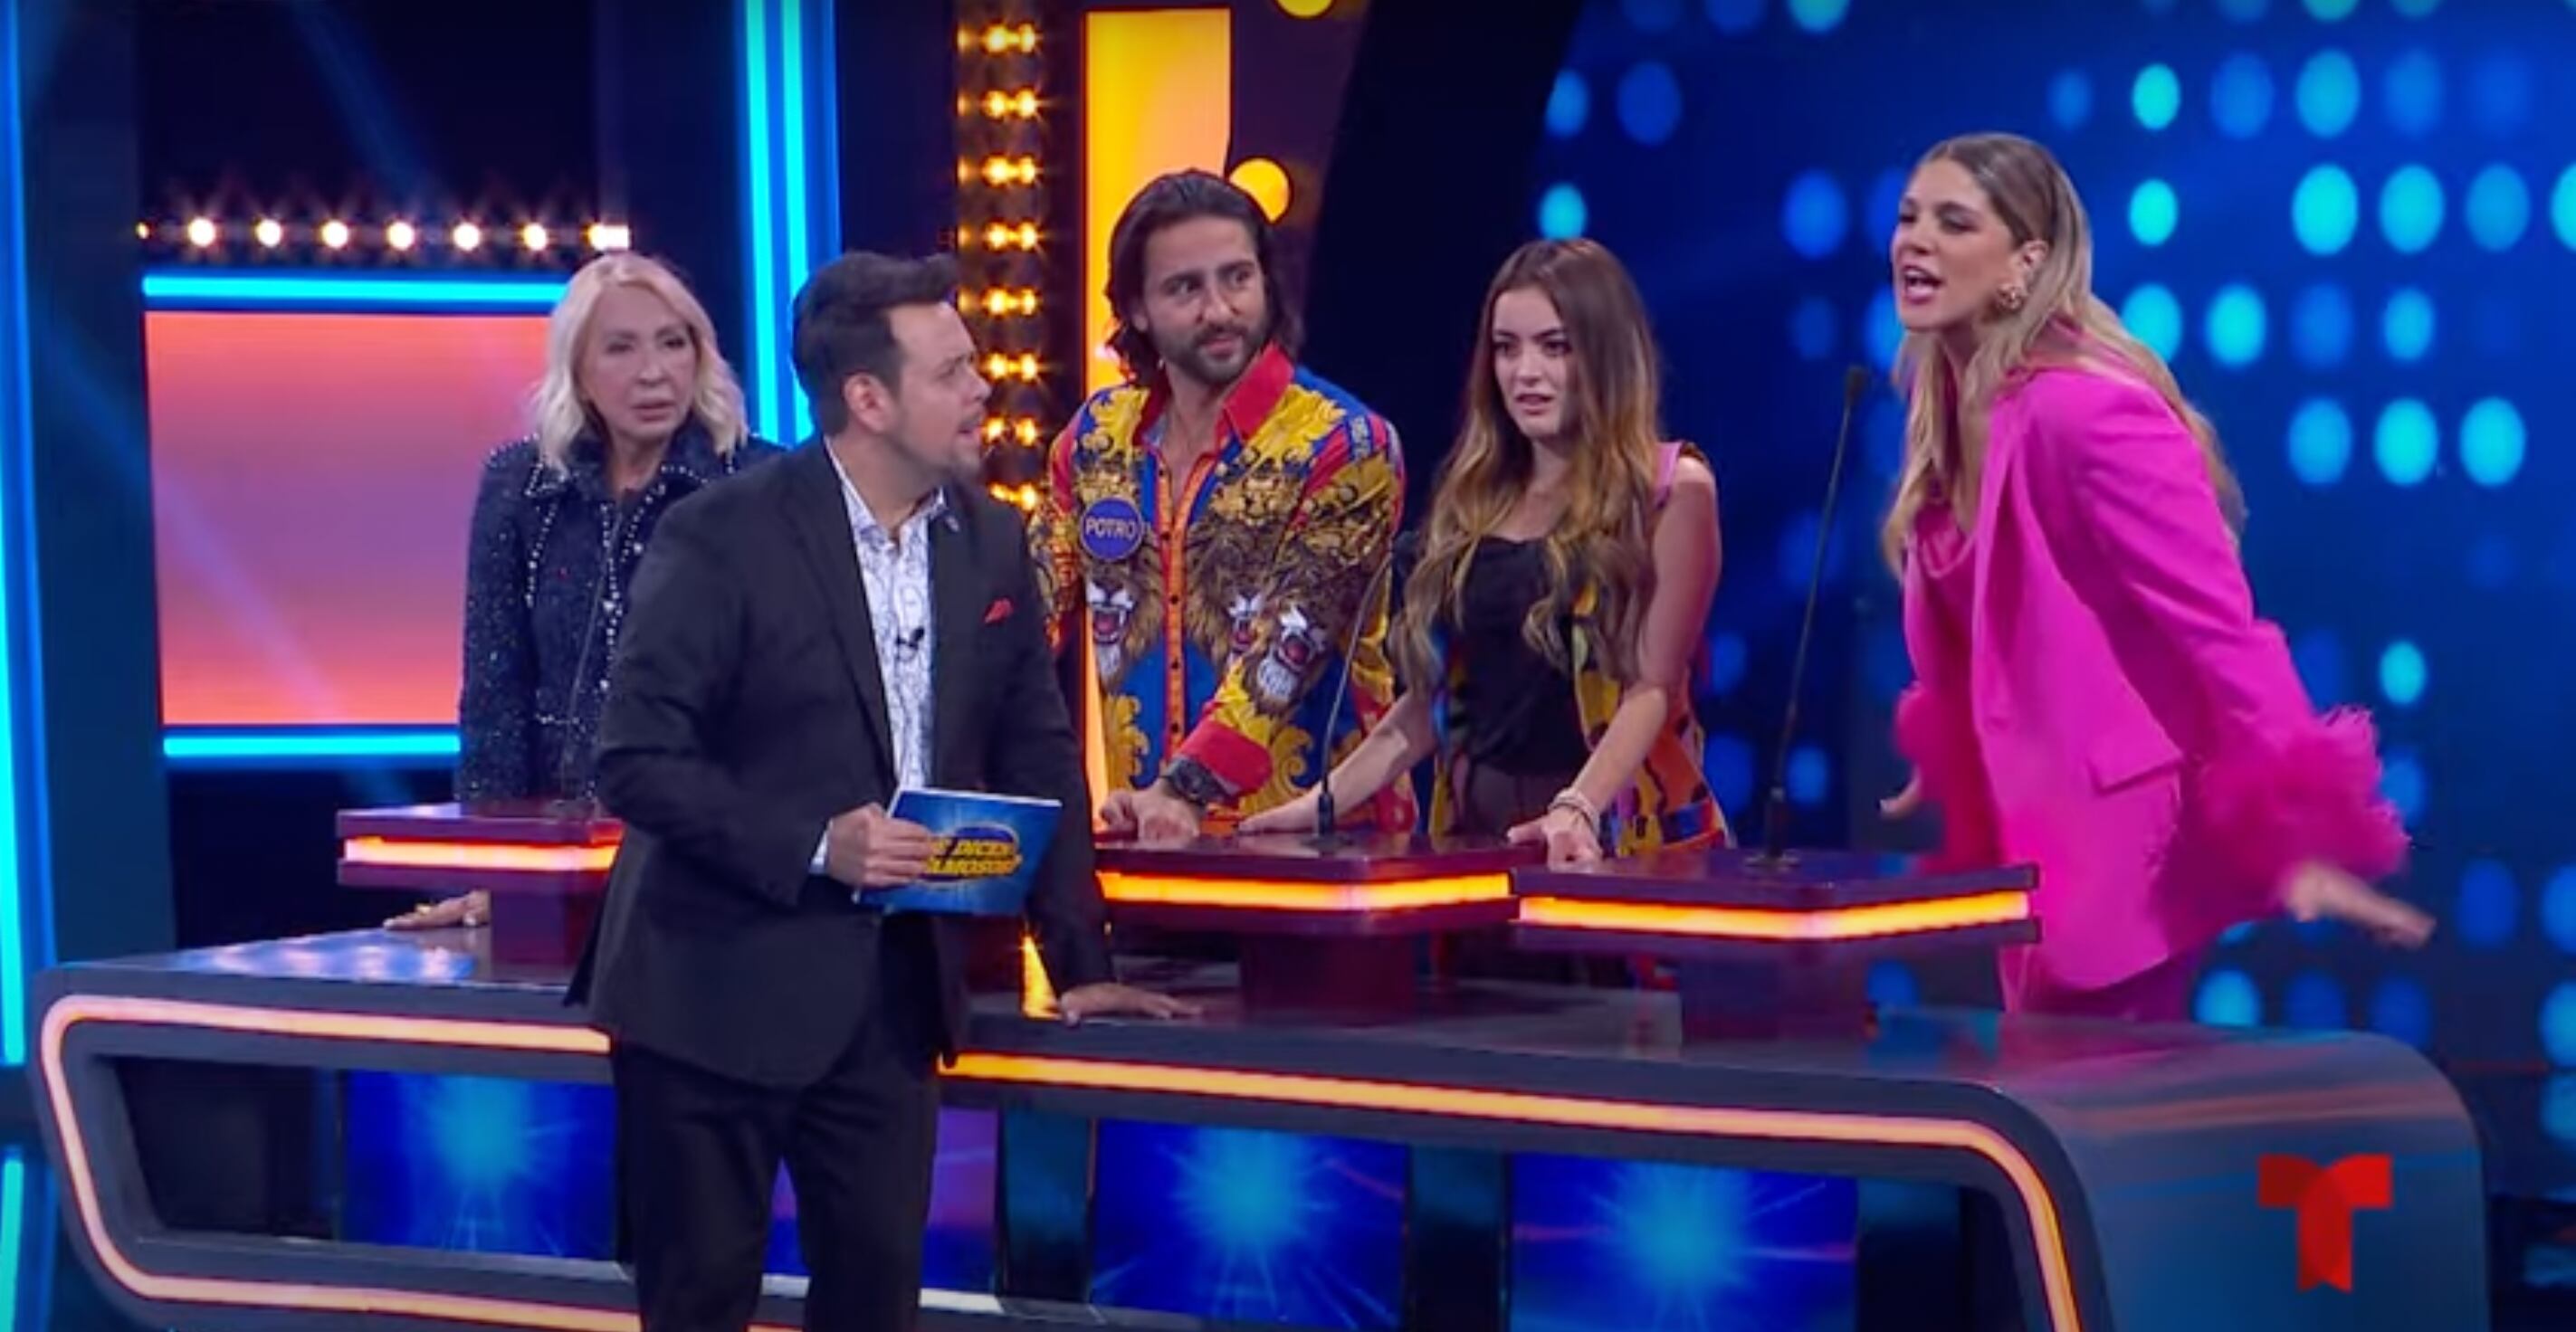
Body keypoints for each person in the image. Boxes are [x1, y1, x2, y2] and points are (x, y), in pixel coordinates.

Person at [570, 251, 1192, 1332]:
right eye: (951, 370)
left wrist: (1081, 963)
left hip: (888, 1000)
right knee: (698, 1302)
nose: (982, 388)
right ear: (868, 398)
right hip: (709, 992)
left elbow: (1038, 754)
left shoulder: (989, 538)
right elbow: (634, 756)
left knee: (876, 1306)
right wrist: (819, 841)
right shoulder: (724, 534)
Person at [1873, 131, 2433, 1021]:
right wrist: (1943, 756)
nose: (1916, 241)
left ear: (2026, 262)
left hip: (2127, 858)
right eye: (1908, 219)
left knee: (2087, 1101)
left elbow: (2219, 631)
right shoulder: (1938, 412)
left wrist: (2299, 834)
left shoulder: (2087, 414)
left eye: (1953, 222)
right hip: (2026, 848)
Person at [1244, 238, 1728, 870]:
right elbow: (1432, 707)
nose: (1525, 372)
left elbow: (1651, 687)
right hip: (1478, 843)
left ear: (1608, 355)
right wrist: (1321, 805)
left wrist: (1577, 808)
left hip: (1619, 846)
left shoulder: (1671, 490)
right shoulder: (1479, 498)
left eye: (1554, 347)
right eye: (1506, 348)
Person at [387, 252, 781, 931]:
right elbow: (495, 690)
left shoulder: (757, 484)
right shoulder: (522, 486)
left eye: (672, 343)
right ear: (578, 370)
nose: (653, 372)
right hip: (562, 853)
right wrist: (492, 870)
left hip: (711, 852)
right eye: (621, 348)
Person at [1030, 170, 1414, 840]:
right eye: (1185, 288)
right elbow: (1025, 621)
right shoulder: (1094, 441)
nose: (1219, 310)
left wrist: (1183, 790)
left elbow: (1291, 646)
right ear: (1136, 308)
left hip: (1321, 844)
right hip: (1147, 839)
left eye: (1237, 278)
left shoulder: (1345, 445)